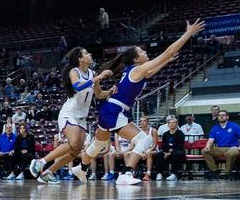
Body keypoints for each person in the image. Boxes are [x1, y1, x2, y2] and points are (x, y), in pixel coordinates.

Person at [71, 19, 206, 186]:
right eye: (141, 52)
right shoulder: (137, 69)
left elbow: (151, 72)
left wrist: (166, 62)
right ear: (136, 59)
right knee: (145, 140)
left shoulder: (134, 71)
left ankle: (81, 168)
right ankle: (126, 174)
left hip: (110, 109)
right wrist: (187, 34)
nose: (145, 52)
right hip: (115, 111)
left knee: (98, 144)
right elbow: (169, 51)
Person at [30, 47, 114, 184]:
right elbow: (78, 86)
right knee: (74, 143)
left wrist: (109, 92)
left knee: (76, 151)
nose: (90, 54)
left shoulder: (92, 73)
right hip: (69, 113)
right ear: (80, 58)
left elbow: (98, 94)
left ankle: (48, 172)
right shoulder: (74, 71)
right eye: (86, 53)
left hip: (82, 117)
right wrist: (97, 77)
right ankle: (40, 162)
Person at [201, 109, 240, 177]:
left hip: (233, 148)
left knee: (231, 152)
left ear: (227, 117)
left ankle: (227, 172)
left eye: (223, 115)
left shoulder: (234, 126)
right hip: (220, 149)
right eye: (219, 115)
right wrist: (208, 146)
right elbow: (211, 140)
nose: (221, 117)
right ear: (217, 117)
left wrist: (239, 148)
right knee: (204, 151)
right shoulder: (215, 128)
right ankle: (215, 170)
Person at [155, 116, 186, 181]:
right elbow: (163, 145)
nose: (171, 124)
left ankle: (174, 174)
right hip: (167, 151)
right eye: (170, 123)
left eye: (173, 123)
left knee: (176, 154)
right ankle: (159, 173)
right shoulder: (165, 134)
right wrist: (166, 152)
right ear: (168, 124)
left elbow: (180, 145)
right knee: (159, 155)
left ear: (177, 124)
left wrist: (170, 152)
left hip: (178, 151)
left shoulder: (180, 133)